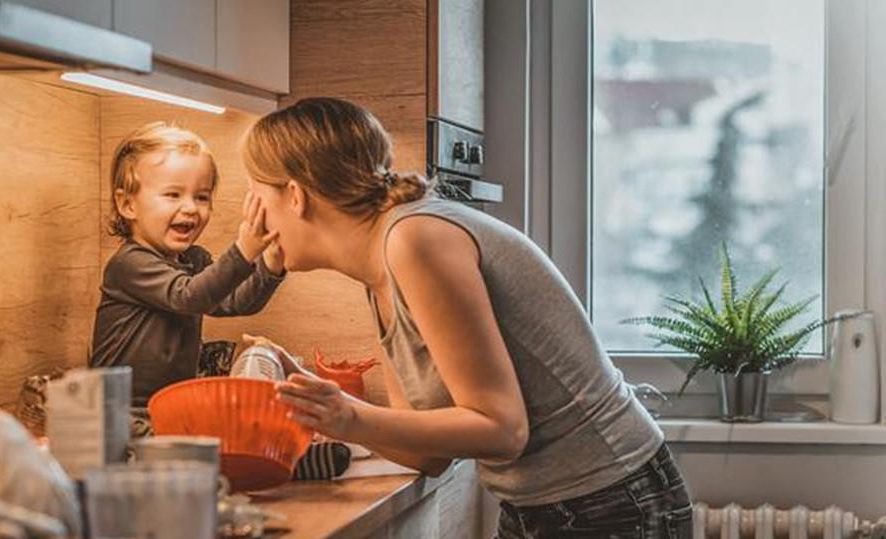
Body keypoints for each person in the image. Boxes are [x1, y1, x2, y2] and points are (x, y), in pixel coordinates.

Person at [241, 98, 692, 538]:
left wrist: (351, 416)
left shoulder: (413, 239)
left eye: (258, 198)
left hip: (610, 502)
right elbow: (427, 456)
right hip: (550, 506)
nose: (258, 224)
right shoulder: (378, 271)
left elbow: (503, 429)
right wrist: (320, 403)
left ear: (295, 196)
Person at [90, 122, 285, 415]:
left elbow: (236, 301)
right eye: (173, 194)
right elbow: (189, 297)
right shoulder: (130, 263)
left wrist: (270, 264)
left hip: (170, 407)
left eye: (202, 196)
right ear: (128, 204)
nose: (191, 208)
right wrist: (243, 251)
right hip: (121, 413)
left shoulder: (193, 260)